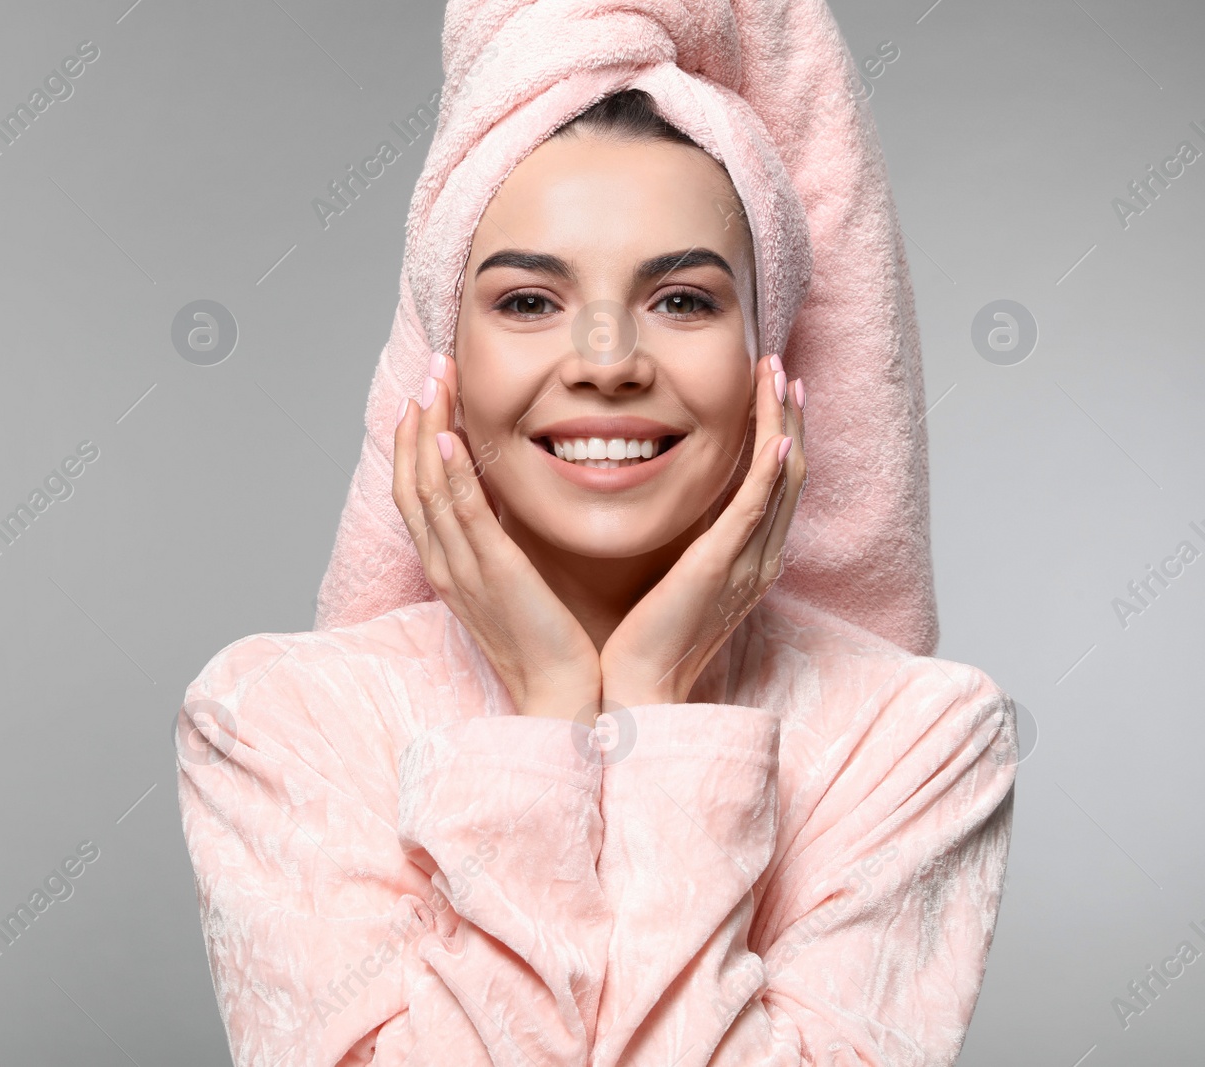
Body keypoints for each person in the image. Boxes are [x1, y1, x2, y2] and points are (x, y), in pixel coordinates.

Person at [175, 3, 1018, 1064]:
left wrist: (653, 695)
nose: (608, 359)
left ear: (772, 360)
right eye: (527, 300)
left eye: (681, 298)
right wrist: (550, 712)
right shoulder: (276, 724)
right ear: (443, 365)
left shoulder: (915, 740)